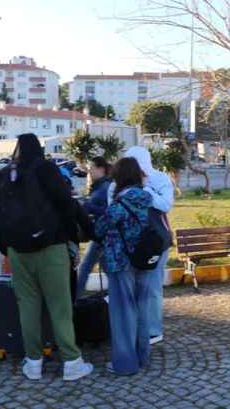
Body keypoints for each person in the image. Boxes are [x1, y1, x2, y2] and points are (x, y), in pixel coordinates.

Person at [0, 133, 93, 382]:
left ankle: (33, 362)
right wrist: (74, 238)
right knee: (60, 306)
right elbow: (67, 205)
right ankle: (71, 362)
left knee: (27, 306)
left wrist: (7, 248)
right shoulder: (46, 169)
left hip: (17, 251)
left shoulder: (3, 176)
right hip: (51, 248)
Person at [94, 157, 155, 375]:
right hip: (146, 261)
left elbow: (100, 229)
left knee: (123, 314)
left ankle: (125, 364)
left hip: (122, 263)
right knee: (142, 310)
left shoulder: (119, 205)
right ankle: (143, 356)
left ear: (119, 178)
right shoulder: (149, 199)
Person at [108, 147, 174, 346]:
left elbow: (166, 205)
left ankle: (153, 330)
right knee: (131, 289)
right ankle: (133, 329)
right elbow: (110, 209)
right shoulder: (115, 185)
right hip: (127, 245)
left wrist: (143, 190)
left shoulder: (160, 179)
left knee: (152, 287)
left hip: (154, 243)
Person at [75, 157, 113, 298]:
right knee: (108, 269)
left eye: (92, 167)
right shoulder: (99, 185)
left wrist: (87, 205)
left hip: (101, 234)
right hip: (99, 233)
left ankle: (75, 299)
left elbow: (108, 210)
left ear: (101, 169)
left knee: (85, 267)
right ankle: (122, 295)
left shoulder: (106, 187)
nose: (89, 170)